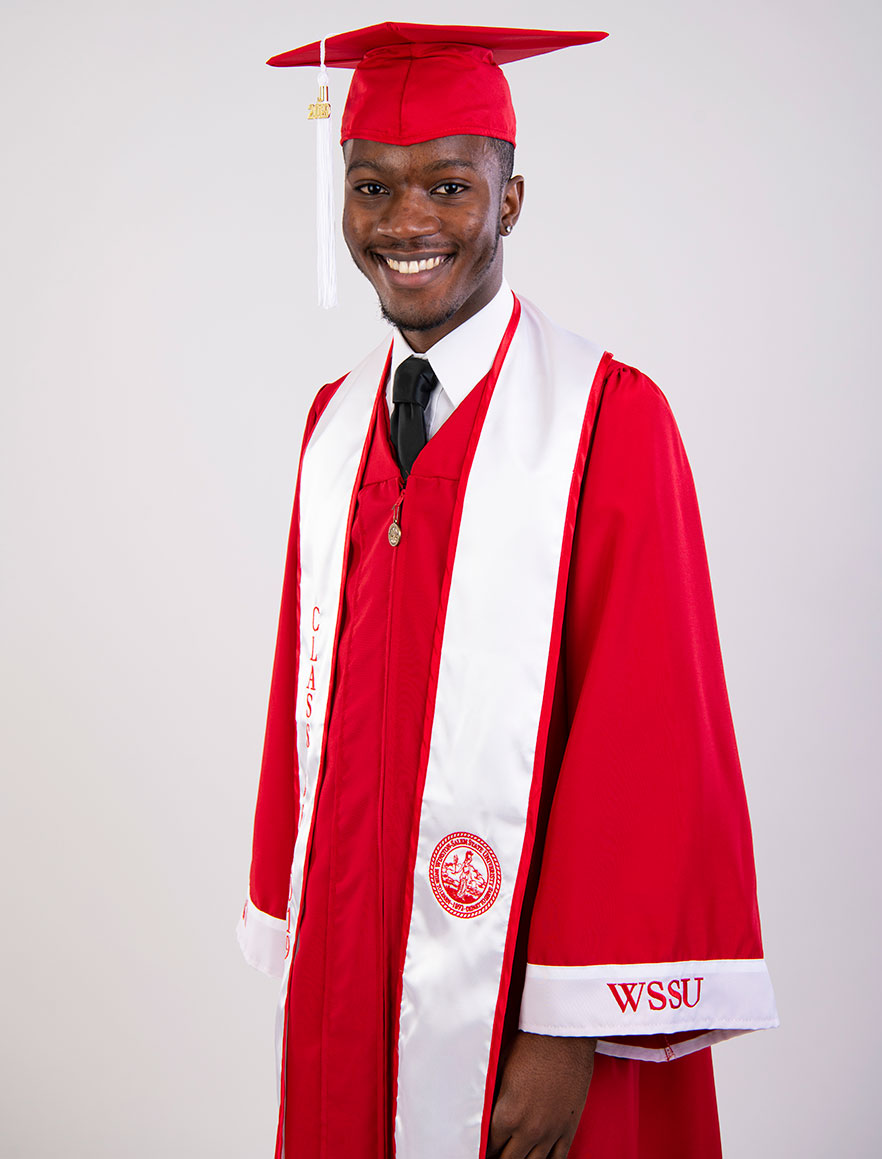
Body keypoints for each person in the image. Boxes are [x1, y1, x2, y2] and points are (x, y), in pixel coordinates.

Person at [237, 23, 778, 1159]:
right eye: (371, 187)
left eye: (448, 185)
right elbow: (306, 702)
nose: (405, 223)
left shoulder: (606, 423)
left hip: (523, 996)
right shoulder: (332, 429)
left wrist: (569, 1029)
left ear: (511, 199)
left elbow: (652, 741)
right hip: (354, 969)